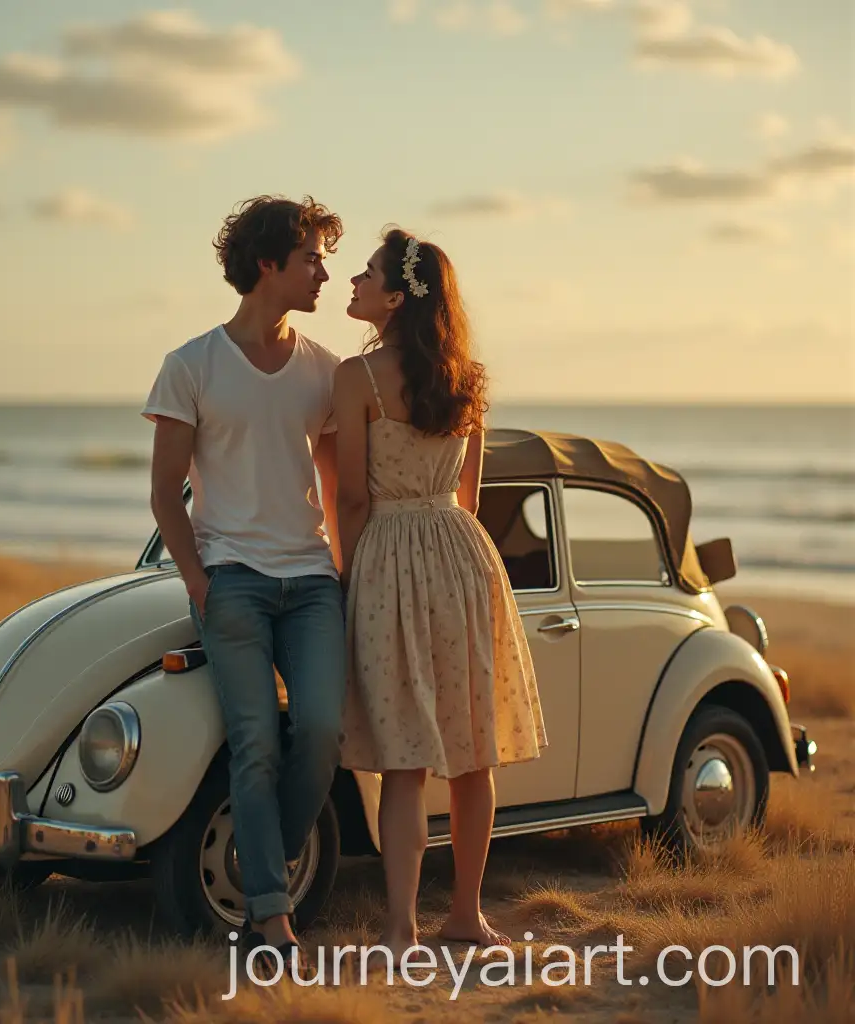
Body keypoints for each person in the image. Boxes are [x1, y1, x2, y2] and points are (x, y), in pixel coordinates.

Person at [333, 227, 548, 959]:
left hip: (389, 557)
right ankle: (466, 914)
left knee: (404, 754)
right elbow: (471, 492)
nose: (354, 284)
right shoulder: (468, 377)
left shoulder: (357, 379)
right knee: (470, 751)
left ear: (396, 296)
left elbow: (352, 498)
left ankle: (399, 927)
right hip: (462, 557)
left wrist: (345, 577)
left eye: (366, 275)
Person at [143, 195, 347, 963]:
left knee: (322, 731)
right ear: (268, 265)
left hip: (311, 584)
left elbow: (336, 486)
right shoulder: (191, 365)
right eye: (311, 259)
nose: (323, 274)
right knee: (255, 742)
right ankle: (271, 914)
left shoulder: (326, 373)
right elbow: (166, 492)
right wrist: (199, 582)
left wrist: (341, 569)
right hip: (231, 581)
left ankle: (270, 853)